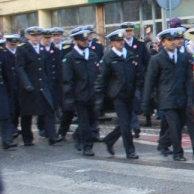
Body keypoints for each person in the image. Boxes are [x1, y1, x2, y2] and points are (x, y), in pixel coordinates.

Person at [142, 28, 194, 162]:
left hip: (181, 97)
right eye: (169, 40)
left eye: (174, 40)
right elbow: (150, 81)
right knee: (174, 125)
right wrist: (145, 102)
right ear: (163, 43)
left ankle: (163, 143)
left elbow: (189, 79)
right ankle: (178, 152)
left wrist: (190, 97)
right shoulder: (157, 59)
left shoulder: (184, 58)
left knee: (180, 124)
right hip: (167, 98)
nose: (173, 42)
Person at [95, 28, 144, 159]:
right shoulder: (109, 57)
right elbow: (102, 77)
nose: (121, 43)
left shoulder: (130, 54)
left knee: (125, 123)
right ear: (112, 43)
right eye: (117, 41)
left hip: (130, 93)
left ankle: (109, 139)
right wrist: (99, 95)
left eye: (121, 40)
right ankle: (130, 151)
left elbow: (138, 73)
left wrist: (138, 88)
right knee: (125, 123)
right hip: (118, 95)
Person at [16, 26, 61, 146]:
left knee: (48, 110)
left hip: (42, 85)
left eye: (38, 36)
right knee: (27, 114)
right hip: (29, 87)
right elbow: (20, 69)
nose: (36, 38)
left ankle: (52, 136)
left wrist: (48, 83)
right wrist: (26, 84)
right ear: (28, 36)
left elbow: (45, 68)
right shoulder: (22, 49)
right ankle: (27, 138)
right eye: (34, 36)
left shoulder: (42, 49)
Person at [61, 27, 101, 156]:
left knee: (91, 120)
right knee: (84, 123)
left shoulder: (93, 55)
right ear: (75, 40)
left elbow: (97, 75)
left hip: (93, 95)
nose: (85, 42)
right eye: (82, 40)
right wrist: (69, 98)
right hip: (80, 96)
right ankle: (87, 147)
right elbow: (68, 80)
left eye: (86, 39)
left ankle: (78, 137)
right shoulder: (70, 58)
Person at [1, 34, 21, 148]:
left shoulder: (3, 54)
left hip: (3, 89)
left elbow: (8, 73)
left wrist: (12, 88)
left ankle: (7, 140)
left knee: (6, 115)